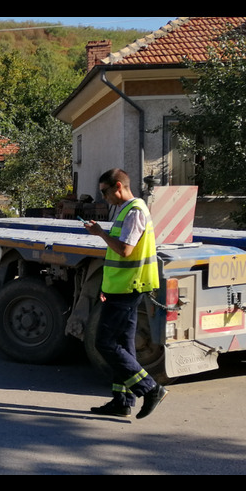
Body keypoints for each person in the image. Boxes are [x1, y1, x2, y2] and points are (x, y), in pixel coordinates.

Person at [83, 169, 168, 419]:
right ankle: (122, 400)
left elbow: (125, 250)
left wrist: (100, 233)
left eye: (104, 191)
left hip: (127, 288)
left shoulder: (134, 212)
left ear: (118, 186)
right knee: (124, 345)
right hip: (122, 287)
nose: (103, 197)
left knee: (105, 343)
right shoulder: (127, 210)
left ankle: (151, 389)